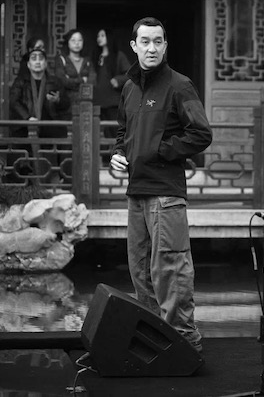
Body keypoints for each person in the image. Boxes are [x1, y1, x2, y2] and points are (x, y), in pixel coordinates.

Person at [110, 17, 213, 353]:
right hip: (136, 192)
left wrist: (159, 150)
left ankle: (185, 341)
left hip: (166, 194)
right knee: (140, 271)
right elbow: (122, 131)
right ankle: (156, 338)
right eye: (145, 41)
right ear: (134, 46)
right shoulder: (129, 87)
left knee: (170, 269)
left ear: (165, 45)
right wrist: (118, 153)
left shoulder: (179, 85)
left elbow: (201, 133)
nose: (151, 48)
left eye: (158, 41)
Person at [9, 45, 70, 181]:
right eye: (34, 58)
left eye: (41, 59)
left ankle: (64, 178)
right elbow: (14, 102)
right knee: (16, 142)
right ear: (28, 64)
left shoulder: (54, 81)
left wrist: (58, 100)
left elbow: (66, 104)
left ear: (45, 63)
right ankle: (19, 181)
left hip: (48, 123)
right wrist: (27, 118)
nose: (37, 61)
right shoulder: (21, 81)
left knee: (65, 139)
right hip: (26, 125)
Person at [92, 28, 131, 139]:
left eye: (102, 35)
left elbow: (130, 75)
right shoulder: (96, 56)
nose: (99, 38)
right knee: (98, 135)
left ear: (109, 37)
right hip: (97, 103)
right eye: (98, 36)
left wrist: (118, 80)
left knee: (114, 133)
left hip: (113, 102)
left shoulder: (118, 56)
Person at [55, 28, 96, 116]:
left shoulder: (87, 61)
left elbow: (93, 81)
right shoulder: (61, 59)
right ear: (68, 42)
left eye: (79, 40)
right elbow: (63, 81)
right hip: (66, 106)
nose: (77, 43)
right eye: (73, 40)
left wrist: (71, 80)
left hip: (85, 106)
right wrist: (83, 80)